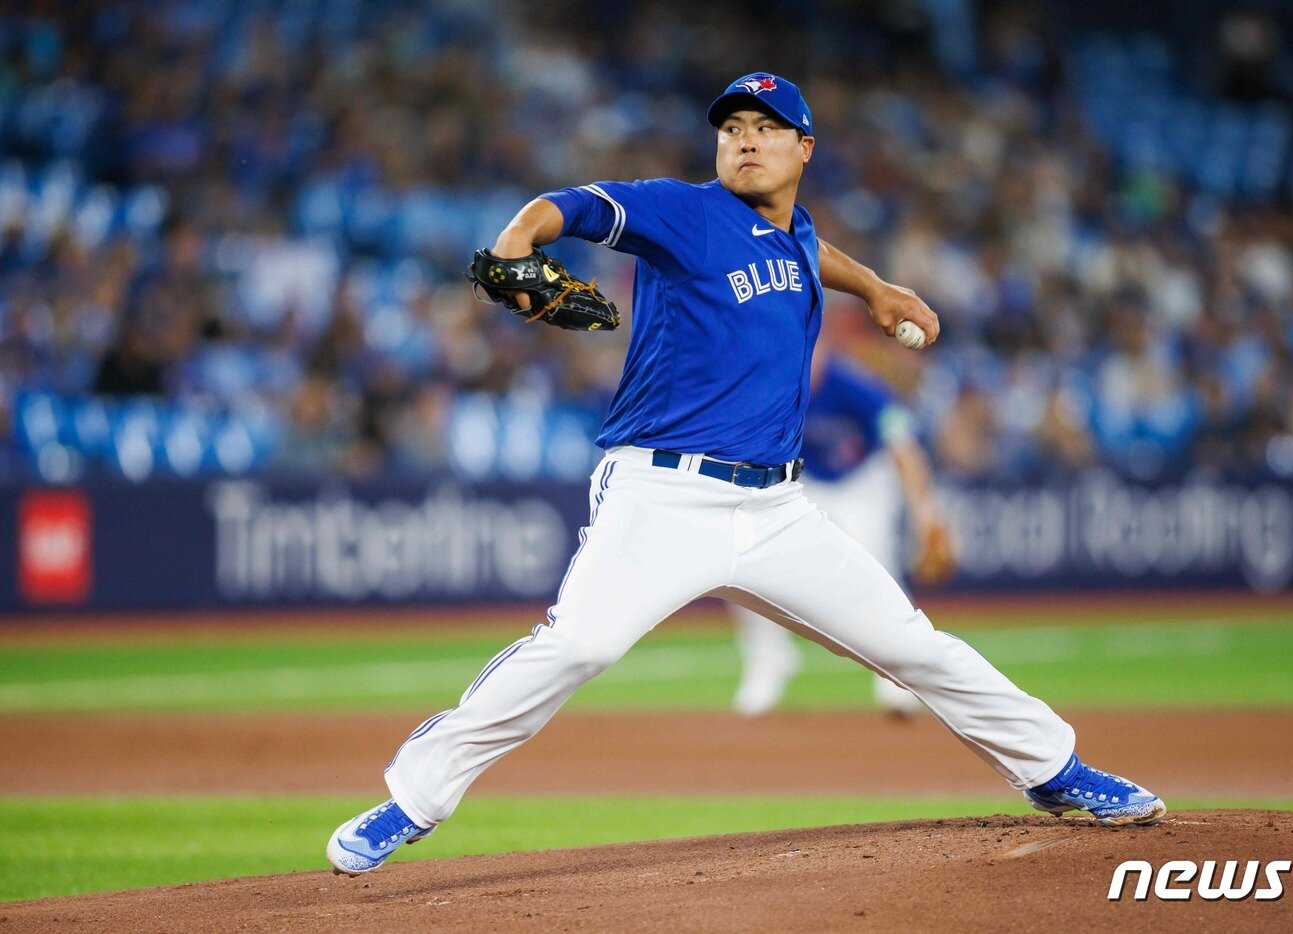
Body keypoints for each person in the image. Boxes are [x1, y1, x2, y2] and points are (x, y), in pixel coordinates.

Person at [326, 73, 1166, 876]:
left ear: (805, 148)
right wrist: (518, 238)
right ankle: (411, 799)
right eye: (732, 129)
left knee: (911, 645)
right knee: (579, 643)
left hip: (777, 511)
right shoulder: (683, 213)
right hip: (661, 494)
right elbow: (573, 206)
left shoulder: (795, 232)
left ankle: (1056, 770)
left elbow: (810, 248)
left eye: (766, 129)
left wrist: (874, 288)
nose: (746, 141)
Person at [731, 327, 948, 717]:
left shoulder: (853, 386)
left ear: (824, 348)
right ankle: (770, 660)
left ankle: (897, 675)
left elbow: (902, 446)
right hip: (804, 480)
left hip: (861, 480)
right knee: (744, 556)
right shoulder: (772, 385)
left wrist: (924, 510)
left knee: (875, 566)